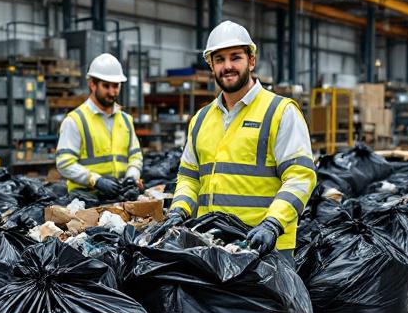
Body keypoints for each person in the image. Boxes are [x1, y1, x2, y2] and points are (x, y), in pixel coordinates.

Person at [164, 21, 317, 258]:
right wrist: (178, 211)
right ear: (211, 66)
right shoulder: (201, 119)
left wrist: (272, 224)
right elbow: (189, 177)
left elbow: (300, 176)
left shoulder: (280, 112)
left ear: (251, 61)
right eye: (220, 60)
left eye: (235, 57)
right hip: (210, 246)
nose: (228, 66)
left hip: (265, 249)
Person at [55, 53, 143, 198]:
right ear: (92, 84)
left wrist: (132, 176)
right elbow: (64, 164)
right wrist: (95, 180)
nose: (111, 92)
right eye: (106, 86)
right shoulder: (75, 121)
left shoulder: (126, 120)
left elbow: (135, 156)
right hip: (85, 200)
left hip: (119, 197)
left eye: (116, 86)